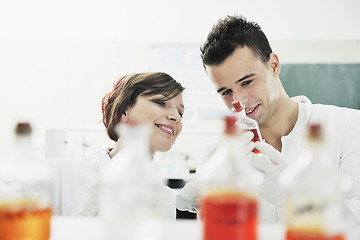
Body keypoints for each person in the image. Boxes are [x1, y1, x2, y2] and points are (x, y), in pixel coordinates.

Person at [176, 15, 360, 223]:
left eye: (247, 82)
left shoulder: (349, 127)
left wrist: (291, 198)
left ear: (273, 65)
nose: (239, 101)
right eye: (226, 91)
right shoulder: (216, 154)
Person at [48, 72, 185, 217]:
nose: (176, 117)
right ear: (124, 110)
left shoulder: (166, 200)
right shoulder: (58, 174)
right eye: (161, 103)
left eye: (181, 113)